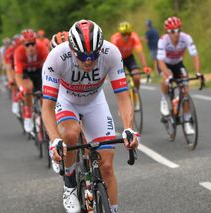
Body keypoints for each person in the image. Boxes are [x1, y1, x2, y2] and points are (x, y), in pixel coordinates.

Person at [42, 19, 139, 213]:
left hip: (95, 102)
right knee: (70, 134)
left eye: (93, 55)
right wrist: (54, 141)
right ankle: (69, 183)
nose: (88, 61)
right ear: (71, 49)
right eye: (82, 55)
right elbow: (47, 108)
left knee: (107, 167)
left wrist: (129, 128)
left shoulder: (111, 53)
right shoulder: (56, 58)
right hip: (66, 100)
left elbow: (123, 96)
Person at [157, 16, 203, 134]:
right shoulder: (163, 40)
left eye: (178, 30)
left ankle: (187, 120)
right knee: (166, 79)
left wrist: (198, 72)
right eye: (172, 31)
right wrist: (168, 74)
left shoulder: (186, 38)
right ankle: (164, 100)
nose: (176, 33)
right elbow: (160, 62)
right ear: (168, 31)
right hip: (165, 64)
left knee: (185, 89)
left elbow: (195, 56)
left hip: (178, 64)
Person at [14, 29, 49, 133]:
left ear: (36, 42)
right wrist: (21, 88)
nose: (30, 47)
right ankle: (28, 116)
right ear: (23, 45)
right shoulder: (19, 52)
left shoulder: (42, 48)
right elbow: (18, 75)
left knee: (45, 95)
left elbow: (50, 67)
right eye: (27, 45)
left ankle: (45, 118)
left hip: (39, 71)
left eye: (32, 44)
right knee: (28, 89)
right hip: (26, 73)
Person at [111, 21, 151, 110]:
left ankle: (135, 94)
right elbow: (112, 55)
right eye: (123, 34)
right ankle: (123, 102)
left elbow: (140, 52)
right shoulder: (115, 38)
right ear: (120, 34)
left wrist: (145, 66)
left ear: (130, 33)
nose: (126, 37)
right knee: (121, 81)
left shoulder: (134, 36)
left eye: (128, 34)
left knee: (137, 77)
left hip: (129, 58)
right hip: (118, 59)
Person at [4, 34, 22, 116]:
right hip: (13, 68)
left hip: (23, 68)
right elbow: (8, 67)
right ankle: (15, 99)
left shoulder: (24, 49)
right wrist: (11, 79)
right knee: (14, 82)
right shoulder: (9, 51)